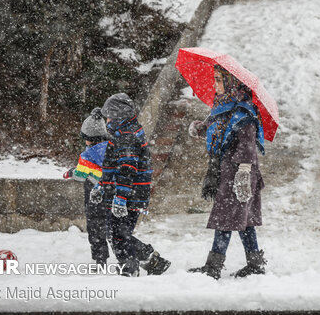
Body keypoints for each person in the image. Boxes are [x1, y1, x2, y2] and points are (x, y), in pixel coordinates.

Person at [188, 65, 267, 279]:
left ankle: (213, 267)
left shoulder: (243, 112)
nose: (215, 84)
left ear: (232, 82)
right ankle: (255, 264)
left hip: (239, 173)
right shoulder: (224, 106)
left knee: (224, 218)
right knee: (244, 220)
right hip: (227, 171)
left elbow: (247, 145)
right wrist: (200, 128)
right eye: (214, 79)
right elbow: (218, 129)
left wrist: (243, 172)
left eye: (219, 80)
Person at [89, 92, 171, 277]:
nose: (107, 119)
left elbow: (127, 170)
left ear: (118, 115)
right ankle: (152, 260)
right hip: (125, 193)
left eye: (110, 114)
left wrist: (121, 198)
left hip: (129, 196)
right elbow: (111, 167)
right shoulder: (119, 135)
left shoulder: (127, 136)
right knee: (117, 232)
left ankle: (129, 268)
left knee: (118, 234)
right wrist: (102, 185)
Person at [63, 107, 110, 269]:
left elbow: (80, 174)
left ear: (89, 138)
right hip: (109, 190)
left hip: (93, 193)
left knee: (94, 225)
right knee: (110, 225)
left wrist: (70, 173)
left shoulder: (87, 155)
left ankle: (100, 258)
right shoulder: (111, 149)